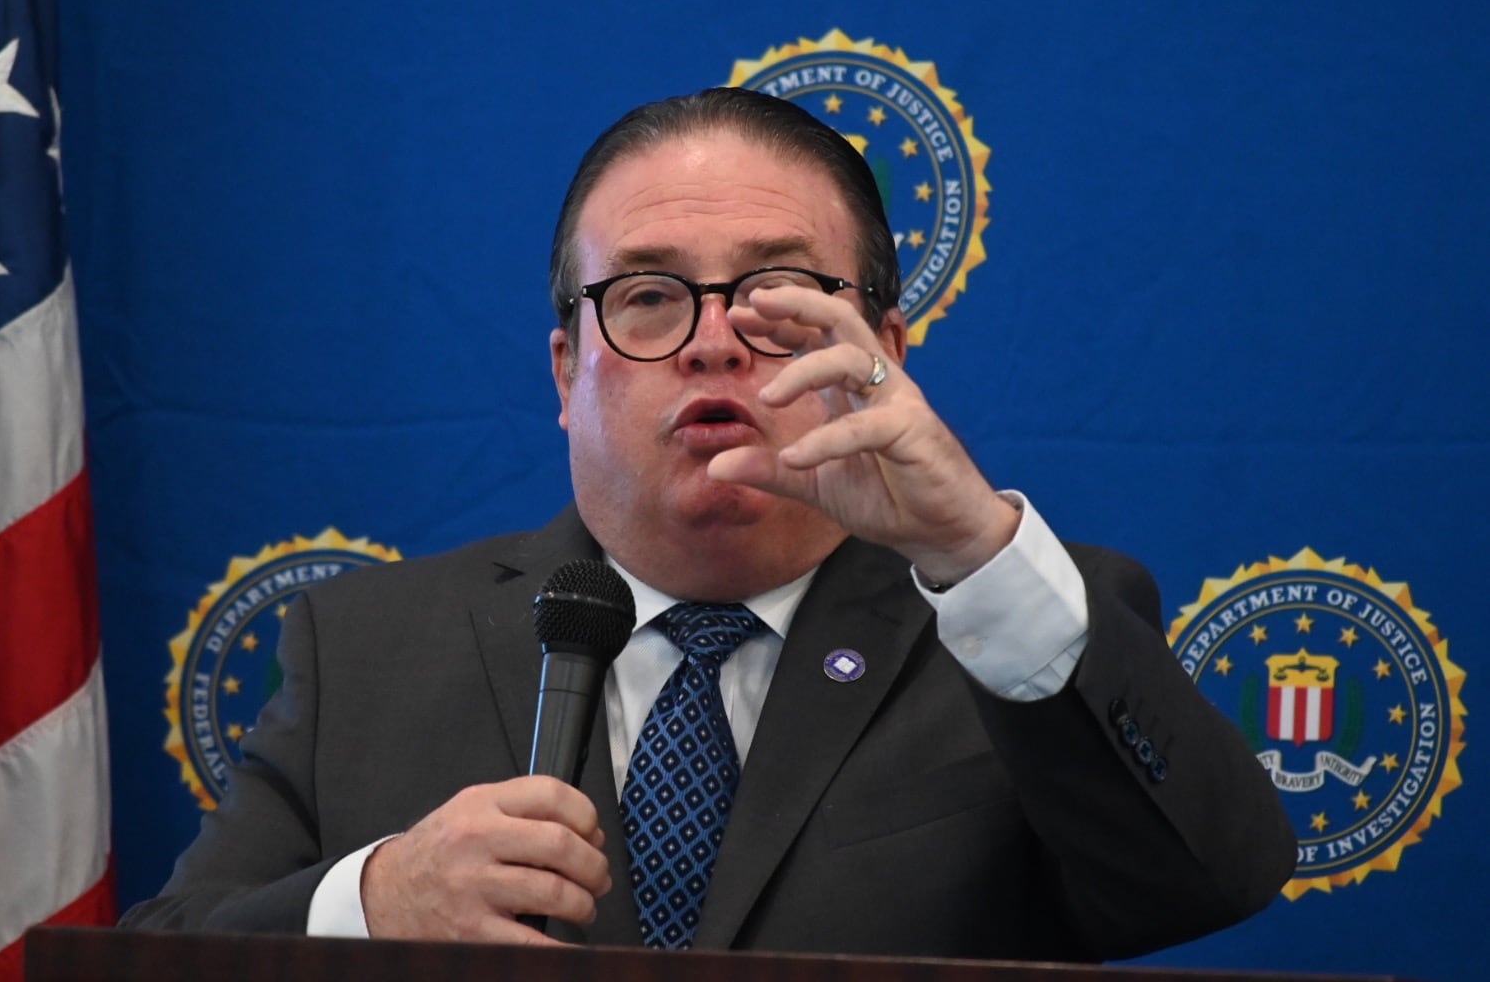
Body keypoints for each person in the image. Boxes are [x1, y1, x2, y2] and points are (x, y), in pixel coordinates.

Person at [122, 87, 1296, 960]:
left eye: (778, 294)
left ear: (884, 357)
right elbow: (159, 954)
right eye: (648, 297)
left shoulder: (1014, 626)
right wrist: (375, 903)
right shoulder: (365, 649)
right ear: (566, 370)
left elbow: (1211, 880)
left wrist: (969, 550)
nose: (715, 340)